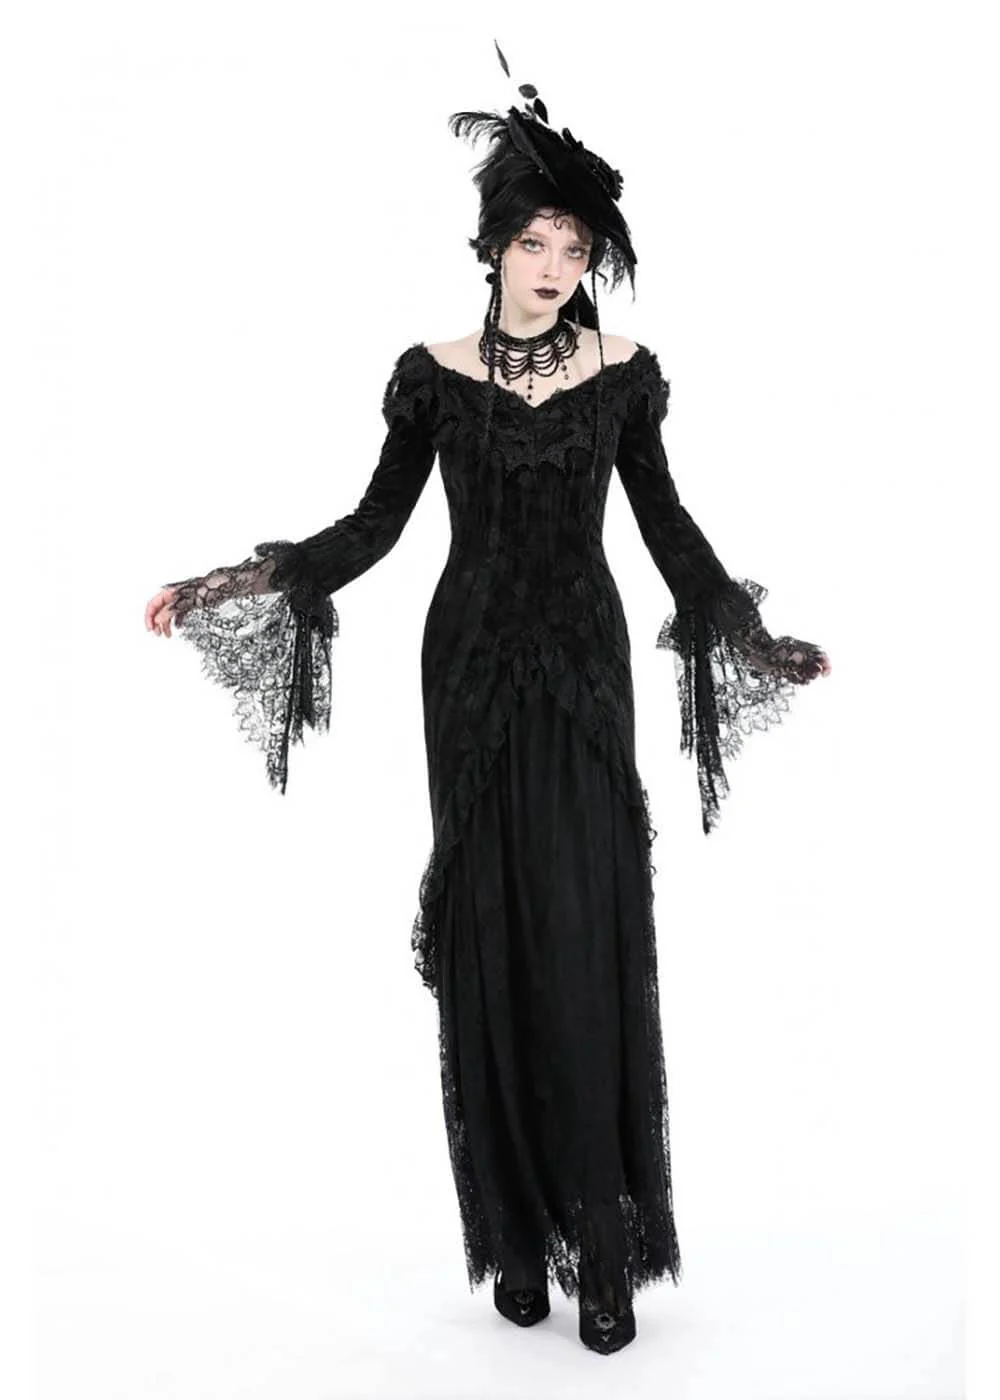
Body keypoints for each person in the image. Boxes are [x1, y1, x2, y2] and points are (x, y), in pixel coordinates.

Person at [143, 40, 830, 1356]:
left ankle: (604, 1253)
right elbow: (372, 528)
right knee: (490, 942)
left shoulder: (624, 372)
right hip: (464, 673)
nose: (556, 264)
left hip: (582, 672)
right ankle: (516, 1243)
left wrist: (753, 636)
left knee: (583, 933)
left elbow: (669, 531)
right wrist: (237, 580)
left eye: (577, 246)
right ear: (495, 244)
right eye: (536, 241)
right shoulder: (431, 375)